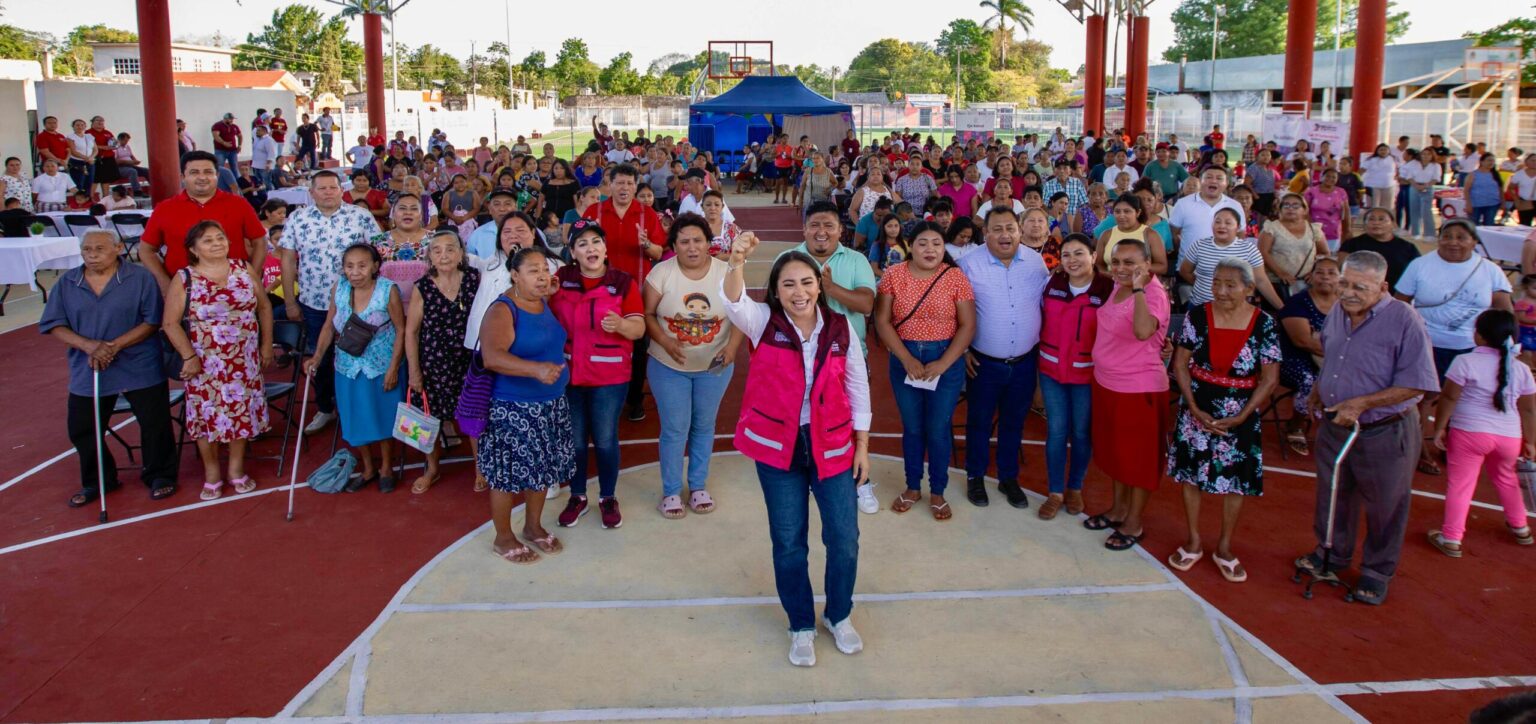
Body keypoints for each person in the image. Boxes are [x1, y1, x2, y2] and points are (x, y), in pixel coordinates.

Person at [721, 231, 871, 667]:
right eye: (788, 284)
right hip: (778, 450)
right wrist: (735, 262)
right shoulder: (763, 321)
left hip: (833, 446)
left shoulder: (840, 327)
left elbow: (858, 386)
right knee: (789, 543)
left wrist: (861, 445)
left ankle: (838, 616)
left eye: (806, 282)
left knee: (844, 539)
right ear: (775, 291)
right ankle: (801, 624)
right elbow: (733, 302)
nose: (798, 292)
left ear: (819, 285)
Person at [1295, 250, 1438, 605]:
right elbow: (1331, 354)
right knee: (1334, 494)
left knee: (1385, 505)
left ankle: (1376, 572)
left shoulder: (1405, 320)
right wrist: (1318, 389)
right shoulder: (1338, 313)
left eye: (1360, 286)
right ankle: (1331, 554)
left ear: (1383, 286)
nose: (1348, 292)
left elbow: (1417, 383)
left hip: (1384, 429)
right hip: (1335, 424)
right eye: (1344, 283)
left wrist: (1360, 404)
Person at [42, 230, 179, 507]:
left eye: (99, 249)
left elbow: (152, 321)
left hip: (138, 360)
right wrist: (89, 346)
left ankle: (159, 474)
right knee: (82, 427)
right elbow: (54, 323)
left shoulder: (139, 278)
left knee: (154, 422)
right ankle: (99, 480)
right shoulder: (68, 282)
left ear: (117, 248)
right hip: (89, 363)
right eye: (86, 250)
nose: (92, 255)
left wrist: (113, 346)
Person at [1166, 258, 1281, 581]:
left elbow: (1270, 377)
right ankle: (1193, 540)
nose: (1221, 290)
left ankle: (1225, 546)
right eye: (1216, 283)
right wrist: (1192, 405)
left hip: (1242, 410)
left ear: (1249, 289)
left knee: (1236, 481)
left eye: (1230, 285)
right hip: (1197, 407)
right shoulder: (1198, 316)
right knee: (1191, 476)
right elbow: (1180, 363)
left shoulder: (1264, 323)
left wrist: (1244, 414)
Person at [475, 245, 575, 563]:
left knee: (542, 471)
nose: (542, 276)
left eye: (545, 270)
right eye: (533, 271)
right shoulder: (503, 310)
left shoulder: (540, 302)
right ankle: (503, 538)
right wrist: (536, 369)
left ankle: (533, 527)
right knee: (506, 476)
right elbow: (492, 357)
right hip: (513, 408)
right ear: (515, 276)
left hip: (549, 404)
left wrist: (548, 293)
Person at [161, 220, 273, 500]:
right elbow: (170, 323)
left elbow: (264, 306)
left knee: (241, 410)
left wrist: (267, 345)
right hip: (203, 360)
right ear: (193, 249)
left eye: (220, 238)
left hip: (243, 357)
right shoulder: (185, 277)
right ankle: (211, 471)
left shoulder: (243, 269)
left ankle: (236, 468)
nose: (217, 244)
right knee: (206, 414)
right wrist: (188, 356)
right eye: (208, 240)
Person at [872, 221, 975, 519]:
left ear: (945, 248)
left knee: (938, 428)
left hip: (946, 358)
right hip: (905, 358)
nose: (930, 249)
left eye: (937, 244)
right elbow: (882, 321)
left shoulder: (955, 277)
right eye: (923, 243)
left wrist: (943, 363)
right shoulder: (894, 274)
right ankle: (913, 486)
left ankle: (938, 491)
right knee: (913, 427)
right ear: (910, 245)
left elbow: (968, 325)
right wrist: (906, 358)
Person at [642, 213, 742, 520]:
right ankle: (671, 491)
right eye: (683, 241)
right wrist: (665, 341)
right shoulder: (661, 273)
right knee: (674, 428)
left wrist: (731, 348)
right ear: (673, 245)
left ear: (708, 244)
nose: (691, 247)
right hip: (667, 365)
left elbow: (740, 313)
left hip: (714, 366)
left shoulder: (727, 271)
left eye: (697, 240)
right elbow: (646, 314)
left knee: (704, 425)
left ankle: (698, 486)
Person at [1397, 219, 1515, 474]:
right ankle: (1419, 449)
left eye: (1461, 237)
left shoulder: (1490, 270)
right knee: (1422, 397)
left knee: (1463, 400)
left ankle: (1451, 444)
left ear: (1474, 242)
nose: (1453, 242)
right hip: (1427, 344)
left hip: (1472, 348)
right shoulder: (1420, 265)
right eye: (1447, 236)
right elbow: (1401, 303)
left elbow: (1504, 308)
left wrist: (1508, 343)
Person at [549, 221, 646, 527]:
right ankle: (577, 496)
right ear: (572, 253)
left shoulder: (623, 282)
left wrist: (621, 326)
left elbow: (639, 327)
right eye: (582, 244)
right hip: (569, 376)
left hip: (609, 377)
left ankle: (607, 496)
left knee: (605, 439)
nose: (590, 248)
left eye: (595, 242)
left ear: (605, 248)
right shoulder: (560, 280)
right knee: (575, 441)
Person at [785, 201, 879, 512]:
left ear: (841, 229)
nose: (821, 232)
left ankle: (860, 482)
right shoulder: (788, 260)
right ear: (804, 229)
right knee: (804, 420)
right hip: (799, 360)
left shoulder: (855, 260)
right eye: (815, 225)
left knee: (852, 421)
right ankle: (810, 475)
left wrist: (829, 288)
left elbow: (866, 305)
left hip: (846, 360)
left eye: (829, 225)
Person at [959, 207, 1052, 509]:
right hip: (983, 364)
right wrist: (962, 350)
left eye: (1010, 228)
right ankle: (975, 476)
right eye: (996, 229)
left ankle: (1008, 478)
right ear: (984, 233)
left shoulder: (1035, 262)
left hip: (1025, 362)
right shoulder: (967, 265)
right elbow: (954, 312)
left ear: (1020, 230)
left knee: (1014, 422)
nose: (1004, 235)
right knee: (979, 422)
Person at [1084, 239, 1170, 550]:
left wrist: (1138, 289)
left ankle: (1133, 523)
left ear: (1147, 265)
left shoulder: (1153, 293)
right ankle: (1119, 509)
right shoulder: (1115, 286)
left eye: (1130, 263)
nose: (1121, 268)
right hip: (1108, 382)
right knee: (1117, 454)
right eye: (1117, 261)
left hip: (1138, 388)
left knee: (1139, 460)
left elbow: (1143, 331)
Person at [280, 171, 381, 435]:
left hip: (358, 301)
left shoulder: (360, 217)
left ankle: (360, 407)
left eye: (333, 188)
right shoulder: (298, 218)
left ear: (341, 190)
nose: (328, 192)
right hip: (314, 301)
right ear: (311, 192)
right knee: (321, 356)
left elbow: (380, 255)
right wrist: (290, 301)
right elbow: (288, 261)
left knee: (362, 352)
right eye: (322, 188)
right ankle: (326, 408)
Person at [1428, 310, 1536, 556]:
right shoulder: (1522, 369)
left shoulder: (1465, 361)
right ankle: (1520, 527)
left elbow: (1449, 397)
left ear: (1479, 335)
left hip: (1469, 432)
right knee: (1506, 480)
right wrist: (1531, 442)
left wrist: (1440, 428)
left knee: (1461, 485)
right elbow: (1529, 410)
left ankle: (1452, 537)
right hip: (1509, 436)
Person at [303, 243, 406, 492]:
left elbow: (401, 329)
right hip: (347, 365)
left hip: (380, 365)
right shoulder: (339, 288)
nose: (355, 272)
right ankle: (368, 467)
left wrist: (393, 368)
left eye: (362, 265)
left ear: (374, 267)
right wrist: (316, 357)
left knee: (382, 417)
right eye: (350, 266)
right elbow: (329, 326)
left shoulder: (387, 290)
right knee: (354, 418)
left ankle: (386, 468)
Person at [582, 164, 668, 422]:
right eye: (619, 183)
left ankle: (634, 399)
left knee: (638, 346)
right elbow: (577, 246)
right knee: (598, 340)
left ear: (635, 185)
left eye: (630, 184)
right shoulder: (593, 212)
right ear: (609, 183)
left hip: (636, 292)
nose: (625, 188)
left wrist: (647, 244)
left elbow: (659, 253)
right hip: (598, 292)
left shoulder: (647, 214)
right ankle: (599, 396)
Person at [1037, 233, 1111, 519]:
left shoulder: (1108, 289)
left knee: (1081, 433)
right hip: (1051, 371)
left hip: (1088, 374)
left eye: (1079, 253)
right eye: (1066, 254)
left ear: (1093, 256)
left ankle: (1075, 487)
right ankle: (1055, 491)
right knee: (1056, 431)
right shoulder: (1051, 284)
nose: (1072, 260)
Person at [139, 151, 268, 292]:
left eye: (208, 172)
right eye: (194, 172)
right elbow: (146, 251)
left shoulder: (239, 204)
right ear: (183, 177)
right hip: (182, 291)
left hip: (235, 289)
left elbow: (260, 242)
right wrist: (164, 283)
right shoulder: (165, 208)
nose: (202, 177)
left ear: (217, 175)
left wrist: (252, 277)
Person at [1277, 257, 1341, 455]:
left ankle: (1340, 428)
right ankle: (1295, 425)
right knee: (1311, 381)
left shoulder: (1346, 304)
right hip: (1295, 358)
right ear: (1311, 277)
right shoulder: (1298, 303)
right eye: (1320, 272)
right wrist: (1343, 356)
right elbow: (1303, 341)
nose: (1325, 277)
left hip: (1333, 359)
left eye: (1332, 273)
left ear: (1340, 278)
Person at [1179, 208, 1284, 310]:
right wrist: (1204, 284)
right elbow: (1185, 271)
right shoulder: (1199, 245)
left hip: (1237, 309)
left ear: (1238, 227)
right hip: (1201, 306)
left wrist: (1281, 308)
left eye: (1228, 223)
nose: (1221, 226)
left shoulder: (1249, 249)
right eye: (1217, 222)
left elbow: (1261, 281)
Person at [1258, 192, 1328, 297]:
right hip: (1277, 283)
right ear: (1280, 209)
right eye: (1286, 205)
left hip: (1305, 283)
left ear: (1304, 210)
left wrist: (1315, 271)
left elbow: (1324, 253)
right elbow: (1263, 252)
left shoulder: (1314, 229)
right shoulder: (1271, 228)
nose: (1290, 208)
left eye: (1296, 205)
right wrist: (1281, 273)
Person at [1339, 207, 1421, 293]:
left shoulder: (1408, 247)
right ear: (1364, 224)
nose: (1376, 223)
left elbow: (1418, 273)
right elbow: (1341, 271)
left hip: (1397, 295)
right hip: (1360, 294)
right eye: (1371, 219)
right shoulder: (1351, 244)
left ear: (1393, 224)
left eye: (1382, 219)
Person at [1094, 193, 1168, 275]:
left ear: (1138, 212)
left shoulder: (1150, 235)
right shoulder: (1106, 235)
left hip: (1141, 285)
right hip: (1111, 284)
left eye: (1127, 211)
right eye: (1117, 211)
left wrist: (1135, 270)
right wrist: (1109, 274)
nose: (1121, 216)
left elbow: (1162, 267)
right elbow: (1098, 264)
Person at [1303, 168, 1351, 252]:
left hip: (1334, 231)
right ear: (1322, 177)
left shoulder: (1341, 192)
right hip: (1315, 230)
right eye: (1328, 176)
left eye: (1334, 177)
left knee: (1330, 257)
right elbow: (1305, 211)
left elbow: (1346, 211)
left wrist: (1347, 229)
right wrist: (1312, 227)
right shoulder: (1311, 191)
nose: (1330, 179)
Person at [1462, 153, 1506, 226]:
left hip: (1492, 204)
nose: (1491, 162)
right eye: (1489, 160)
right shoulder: (1473, 175)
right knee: (1473, 226)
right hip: (1476, 205)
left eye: (1493, 161)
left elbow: (1500, 190)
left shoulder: (1496, 174)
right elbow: (1466, 190)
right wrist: (1468, 204)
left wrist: (1503, 202)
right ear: (1481, 162)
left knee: (1489, 225)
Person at [211, 112, 243, 178]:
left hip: (233, 151)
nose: (232, 120)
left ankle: (238, 184)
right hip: (220, 151)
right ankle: (219, 183)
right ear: (225, 119)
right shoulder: (217, 125)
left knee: (234, 167)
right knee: (219, 167)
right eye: (230, 119)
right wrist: (224, 143)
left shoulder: (234, 126)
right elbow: (216, 136)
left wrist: (239, 145)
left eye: (232, 119)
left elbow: (240, 136)